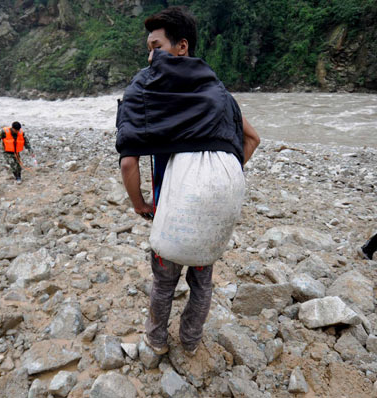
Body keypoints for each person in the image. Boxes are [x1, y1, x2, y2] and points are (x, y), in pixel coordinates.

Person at [116, 6, 260, 356]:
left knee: (163, 281)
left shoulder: (150, 90)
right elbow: (253, 139)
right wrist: (217, 180)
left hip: (170, 210)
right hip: (211, 208)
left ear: (182, 47)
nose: (151, 55)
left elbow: (128, 163)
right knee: (202, 281)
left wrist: (139, 204)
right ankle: (191, 342)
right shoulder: (219, 94)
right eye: (148, 48)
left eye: (156, 46)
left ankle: (156, 340)